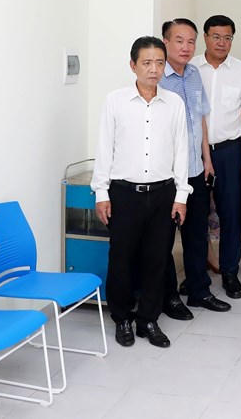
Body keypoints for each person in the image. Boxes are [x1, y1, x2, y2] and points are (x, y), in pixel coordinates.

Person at [92, 36, 191, 349]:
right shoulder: (115, 101)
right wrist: (101, 192)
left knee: (157, 259)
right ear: (133, 65)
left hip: (163, 194)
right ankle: (122, 317)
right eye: (147, 63)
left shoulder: (174, 103)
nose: (154, 69)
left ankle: (148, 319)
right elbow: (104, 148)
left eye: (159, 63)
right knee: (121, 259)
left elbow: (182, 151)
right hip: (124, 193)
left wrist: (181, 196)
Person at [160, 19, 231, 315]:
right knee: (163, 239)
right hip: (167, 176)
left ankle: (199, 290)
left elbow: (200, 119)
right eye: (179, 41)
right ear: (166, 42)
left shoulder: (193, 75)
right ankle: (168, 296)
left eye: (190, 41)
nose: (186, 47)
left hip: (195, 170)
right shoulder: (157, 78)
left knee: (196, 234)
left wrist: (207, 160)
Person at [191, 15, 241, 299]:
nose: (222, 42)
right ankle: (196, 273)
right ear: (206, 37)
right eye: (216, 37)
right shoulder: (191, 68)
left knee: (230, 212)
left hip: (229, 151)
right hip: (194, 152)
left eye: (228, 38)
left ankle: (230, 272)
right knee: (195, 215)